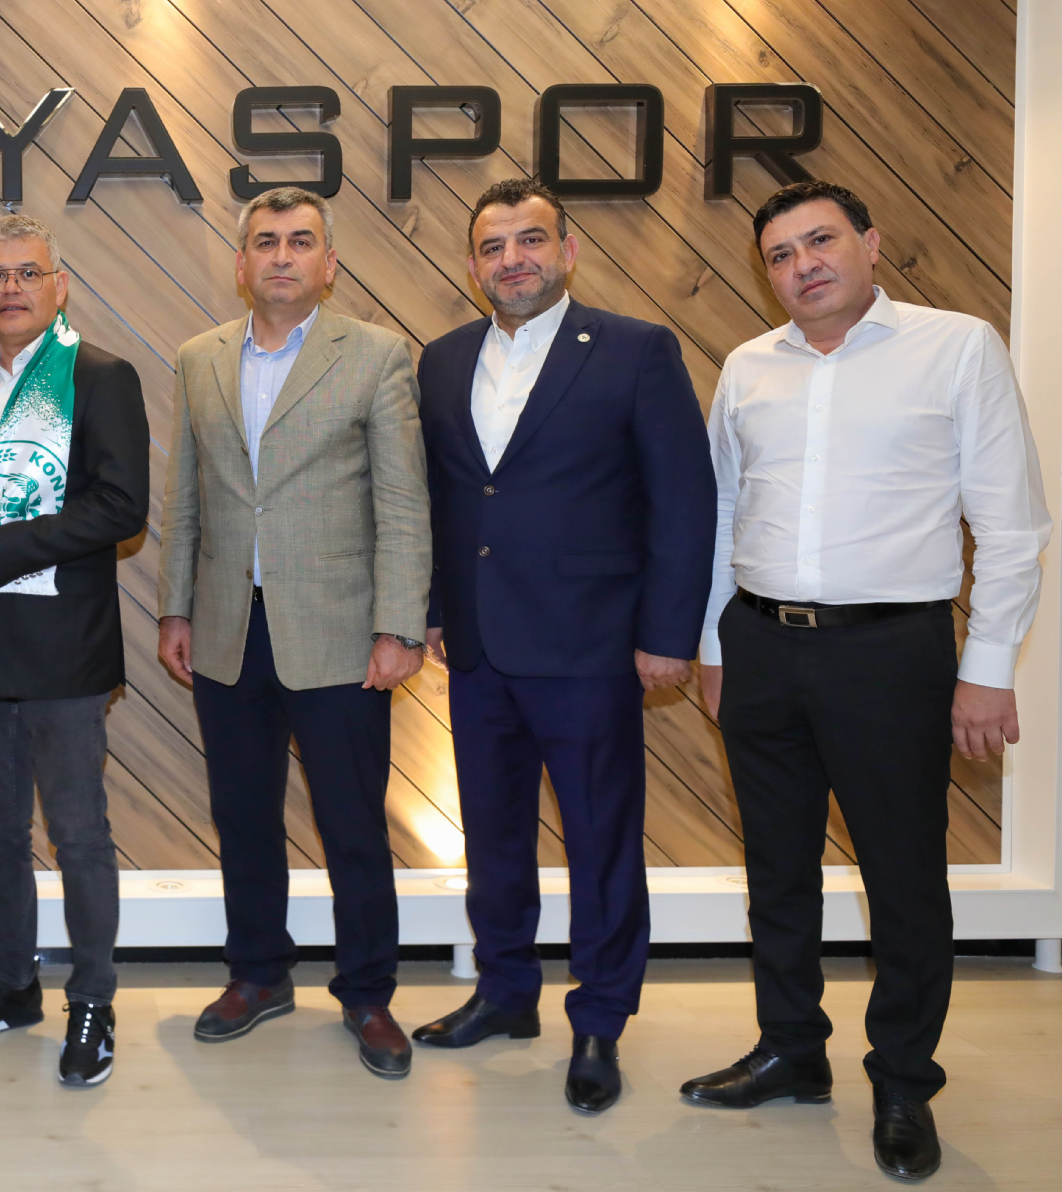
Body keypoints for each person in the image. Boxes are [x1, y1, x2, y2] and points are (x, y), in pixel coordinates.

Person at [684, 181, 1050, 1181]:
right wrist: (713, 644)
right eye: (780, 253)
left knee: (902, 878)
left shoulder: (956, 346)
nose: (802, 264)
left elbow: (1011, 524)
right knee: (776, 867)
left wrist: (986, 668)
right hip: (759, 645)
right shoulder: (747, 366)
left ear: (870, 243)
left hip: (892, 654)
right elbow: (720, 513)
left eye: (820, 240)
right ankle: (790, 1050)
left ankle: (902, 1079)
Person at [411, 178, 715, 1113]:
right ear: (474, 265)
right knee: (493, 832)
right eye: (494, 245)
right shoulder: (443, 359)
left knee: (600, 840)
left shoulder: (636, 349)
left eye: (531, 239)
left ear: (567, 252)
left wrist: (668, 634)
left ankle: (600, 1018)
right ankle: (505, 991)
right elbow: (444, 497)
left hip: (592, 645)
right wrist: (434, 607)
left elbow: (683, 499)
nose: (513, 259)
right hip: (478, 648)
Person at [157, 185, 432, 1079]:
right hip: (228, 628)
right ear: (241, 262)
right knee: (242, 814)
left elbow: (403, 502)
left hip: (341, 632)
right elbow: (188, 494)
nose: (282, 255)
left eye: (301, 241)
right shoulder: (199, 357)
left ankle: (368, 993)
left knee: (352, 823)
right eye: (266, 241)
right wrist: (175, 606)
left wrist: (399, 624)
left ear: (329, 263)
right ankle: (258, 973)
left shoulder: (377, 356)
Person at [0, 214, 149, 1087]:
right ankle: (12, 984)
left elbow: (120, 508)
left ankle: (93, 999)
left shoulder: (100, 376)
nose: (10, 288)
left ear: (60, 286)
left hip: (62, 648)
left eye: (27, 272)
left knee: (79, 833)